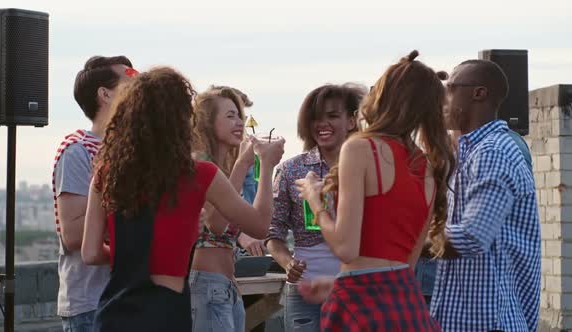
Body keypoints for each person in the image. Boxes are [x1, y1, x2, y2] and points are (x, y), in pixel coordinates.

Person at [81, 67, 285, 331]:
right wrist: (267, 165)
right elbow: (258, 225)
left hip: (113, 311)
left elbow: (89, 252)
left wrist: (131, 254)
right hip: (165, 311)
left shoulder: (107, 172)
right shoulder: (199, 174)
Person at [296, 50, 455, 331]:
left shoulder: (362, 148)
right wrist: (337, 283)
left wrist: (315, 200)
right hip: (406, 307)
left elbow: (346, 249)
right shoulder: (427, 166)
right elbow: (400, 265)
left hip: (361, 307)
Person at [429, 59, 541, 331]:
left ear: (479, 93)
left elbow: (469, 237)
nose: (442, 98)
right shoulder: (471, 152)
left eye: (450, 89)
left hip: (488, 323)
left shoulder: (493, 151)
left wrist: (399, 242)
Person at [265, 83, 365, 332]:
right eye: (315, 118)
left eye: (332, 116)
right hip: (305, 291)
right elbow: (273, 232)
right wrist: (288, 263)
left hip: (359, 286)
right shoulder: (289, 170)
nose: (322, 124)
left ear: (352, 121)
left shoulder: (369, 166)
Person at [51, 55, 137, 332]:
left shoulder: (135, 151)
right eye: (130, 81)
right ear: (105, 94)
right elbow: (74, 234)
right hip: (92, 303)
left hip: (132, 298)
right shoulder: (77, 152)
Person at [189, 86, 265, 331]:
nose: (239, 123)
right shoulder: (200, 162)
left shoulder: (223, 168)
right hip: (207, 285)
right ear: (208, 122)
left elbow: (259, 224)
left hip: (227, 286)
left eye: (239, 117)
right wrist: (243, 164)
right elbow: (216, 223)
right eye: (230, 116)